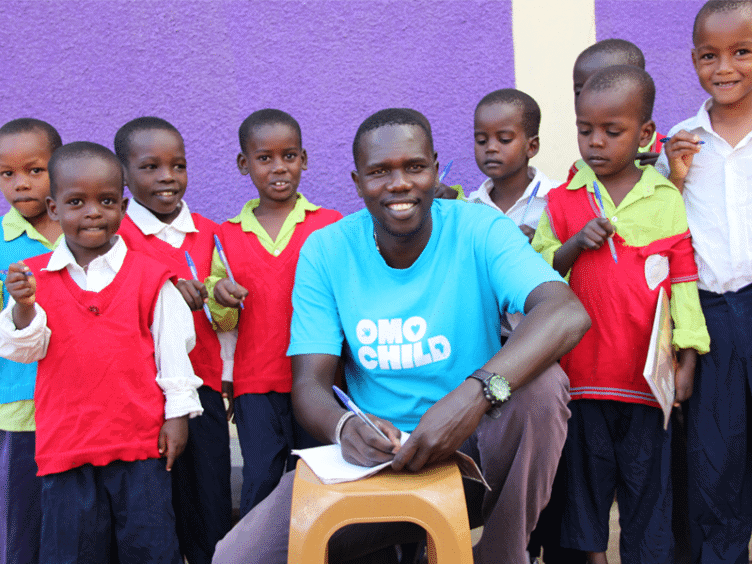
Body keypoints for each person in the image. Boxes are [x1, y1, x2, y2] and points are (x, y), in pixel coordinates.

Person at [212, 107, 591, 564]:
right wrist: (343, 426)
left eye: (414, 167)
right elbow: (310, 385)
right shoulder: (328, 250)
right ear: (357, 182)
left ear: (434, 167)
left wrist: (472, 398)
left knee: (544, 386)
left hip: (472, 453)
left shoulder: (480, 229)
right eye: (379, 172)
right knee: (237, 557)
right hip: (375, 459)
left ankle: (502, 555)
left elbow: (564, 311)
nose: (399, 184)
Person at [533, 66, 710, 564]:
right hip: (582, 381)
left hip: (646, 384)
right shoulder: (563, 200)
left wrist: (689, 356)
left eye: (612, 132)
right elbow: (538, 272)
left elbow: (683, 282)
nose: (596, 142)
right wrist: (573, 244)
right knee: (584, 502)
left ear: (645, 135)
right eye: (585, 129)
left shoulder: (665, 199)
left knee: (647, 499)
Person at [0, 142, 203, 564]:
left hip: (141, 445)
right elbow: (24, 350)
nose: (93, 212)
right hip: (66, 445)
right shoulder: (34, 278)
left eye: (106, 201)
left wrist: (178, 415)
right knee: (72, 550)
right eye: (76, 202)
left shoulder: (151, 277)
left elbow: (174, 352)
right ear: (54, 209)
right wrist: (22, 307)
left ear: (123, 207)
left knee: (149, 547)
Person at [205, 109, 342, 518]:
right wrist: (221, 299)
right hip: (255, 384)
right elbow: (222, 321)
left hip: (319, 379)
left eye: (290, 156)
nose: (279, 167)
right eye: (265, 158)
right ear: (244, 164)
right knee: (261, 479)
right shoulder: (225, 236)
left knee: (318, 479)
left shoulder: (331, 225)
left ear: (305, 159)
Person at [656, 1, 752, 561]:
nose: (726, 68)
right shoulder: (683, 142)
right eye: (711, 56)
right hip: (710, 316)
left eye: (743, 52)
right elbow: (668, 233)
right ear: (693, 60)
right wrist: (675, 176)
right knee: (717, 467)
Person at [114, 117, 231, 564]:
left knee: (210, 509)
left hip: (201, 393)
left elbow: (224, 318)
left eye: (178, 166)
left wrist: (217, 300)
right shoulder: (113, 237)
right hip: (140, 398)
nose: (167, 177)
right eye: (151, 167)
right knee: (153, 515)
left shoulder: (208, 233)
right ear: (123, 175)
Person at [0, 118, 62, 564]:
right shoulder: (2, 245)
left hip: (81, 405)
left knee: (76, 521)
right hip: (21, 407)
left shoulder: (87, 231)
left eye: (34, 170)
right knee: (24, 524)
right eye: (7, 174)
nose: (21, 183)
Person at [567, 38, 664, 180]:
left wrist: (668, 172)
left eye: (610, 88)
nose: (591, 100)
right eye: (580, 92)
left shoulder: (669, 154)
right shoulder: (580, 172)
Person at [467, 88, 556, 241]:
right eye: (481, 140)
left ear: (532, 147)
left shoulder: (556, 200)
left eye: (505, 139)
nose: (491, 148)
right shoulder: (470, 206)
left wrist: (541, 244)